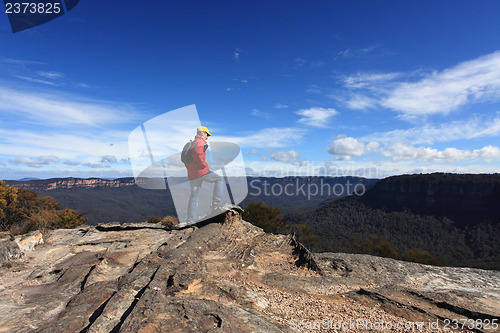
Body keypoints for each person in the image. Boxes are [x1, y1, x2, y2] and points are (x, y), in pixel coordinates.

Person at [180, 126, 224, 227]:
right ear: (202, 133)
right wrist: (203, 164)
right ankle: (217, 204)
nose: (207, 137)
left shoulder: (192, 143)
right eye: (206, 134)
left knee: (194, 197)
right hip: (201, 172)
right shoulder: (200, 141)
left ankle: (190, 221)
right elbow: (197, 153)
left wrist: (193, 168)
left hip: (192, 174)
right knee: (219, 180)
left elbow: (188, 159)